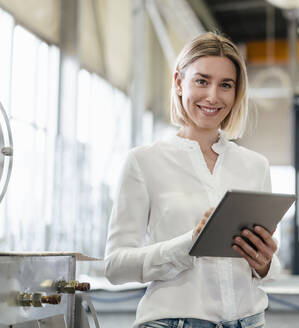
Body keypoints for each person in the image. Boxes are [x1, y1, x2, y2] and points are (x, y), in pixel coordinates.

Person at [104, 32, 281, 328]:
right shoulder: (144, 162)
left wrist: (264, 263)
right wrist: (189, 244)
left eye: (226, 85)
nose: (213, 96)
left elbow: (270, 265)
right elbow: (114, 266)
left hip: (250, 321)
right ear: (178, 82)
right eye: (202, 81)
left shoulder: (255, 166)